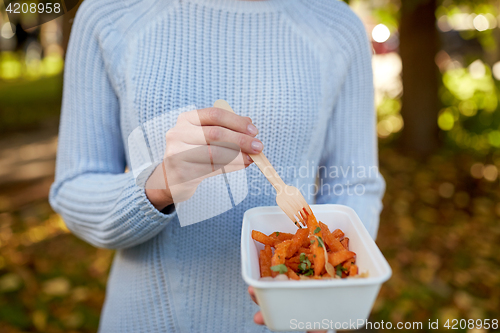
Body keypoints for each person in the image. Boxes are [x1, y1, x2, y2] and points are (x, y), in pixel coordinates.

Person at [49, 0, 385, 332]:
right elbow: (75, 187)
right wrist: (161, 184)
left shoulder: (338, 27)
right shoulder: (109, 13)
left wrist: (332, 293)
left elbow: (357, 186)